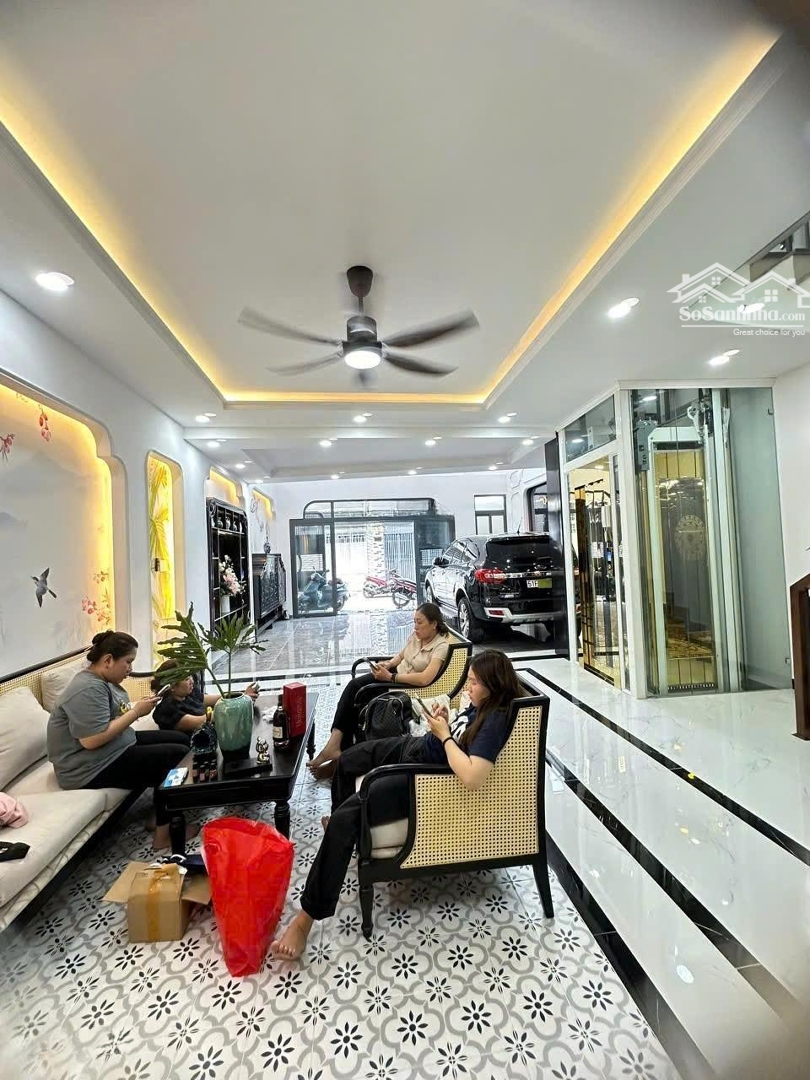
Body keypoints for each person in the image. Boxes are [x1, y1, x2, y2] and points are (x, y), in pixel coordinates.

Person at [272, 649, 522, 959]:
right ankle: (343, 838)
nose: (467, 687)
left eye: (473, 682)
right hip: (417, 747)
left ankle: (304, 920)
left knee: (345, 819)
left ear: (494, 686)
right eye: (468, 680)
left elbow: (473, 776)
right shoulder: (482, 706)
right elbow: (461, 738)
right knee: (347, 760)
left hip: (422, 779)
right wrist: (445, 723)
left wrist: (444, 736)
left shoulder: (495, 719)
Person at [47, 630, 195, 851]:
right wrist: (136, 712)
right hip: (87, 767)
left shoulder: (103, 681)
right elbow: (91, 740)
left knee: (181, 740)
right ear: (108, 660)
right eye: (128, 661)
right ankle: (164, 835)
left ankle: (159, 812)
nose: (130, 669)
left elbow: (112, 717)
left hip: (112, 747)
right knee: (174, 756)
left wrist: (140, 707)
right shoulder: (87, 688)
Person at [307, 602, 451, 777]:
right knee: (354, 691)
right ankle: (337, 749)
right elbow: (401, 656)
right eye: (414, 621)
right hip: (394, 676)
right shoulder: (417, 636)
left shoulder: (441, 646)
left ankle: (337, 754)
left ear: (434, 624)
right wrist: (388, 664)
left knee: (359, 695)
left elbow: (425, 678)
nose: (415, 626)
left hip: (404, 687)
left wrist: (390, 677)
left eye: (419, 622)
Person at [151, 659, 259, 733]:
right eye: (186, 679)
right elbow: (203, 721)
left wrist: (242, 694)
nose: (192, 681)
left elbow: (218, 698)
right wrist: (240, 702)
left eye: (190, 676)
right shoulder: (166, 710)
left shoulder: (188, 694)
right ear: (172, 686)